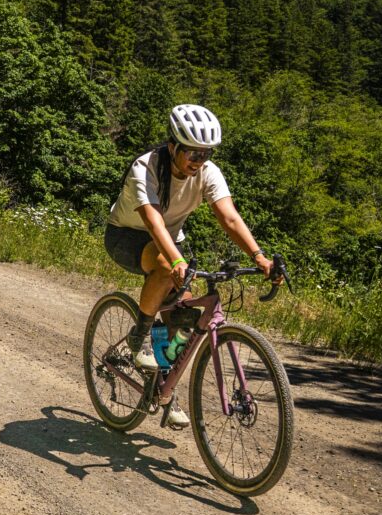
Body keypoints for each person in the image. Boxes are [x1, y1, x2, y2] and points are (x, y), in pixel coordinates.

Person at [103, 104, 279, 428]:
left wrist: (259, 257)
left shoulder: (208, 173)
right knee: (164, 266)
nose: (199, 161)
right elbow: (153, 222)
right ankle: (139, 336)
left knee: (183, 316)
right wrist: (176, 261)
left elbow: (229, 217)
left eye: (206, 154)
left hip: (170, 239)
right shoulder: (146, 167)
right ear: (173, 147)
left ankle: (163, 388)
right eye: (193, 153)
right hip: (127, 235)